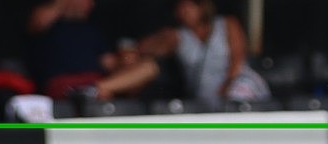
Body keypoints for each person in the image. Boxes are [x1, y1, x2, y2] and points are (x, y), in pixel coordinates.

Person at [95, 0, 269, 105]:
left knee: (239, 94)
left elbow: (238, 59)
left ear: (201, 7)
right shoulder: (178, 36)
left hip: (238, 83)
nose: (184, 11)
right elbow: (145, 47)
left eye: (189, 6)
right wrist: (127, 53)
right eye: (181, 7)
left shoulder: (226, 23)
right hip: (206, 96)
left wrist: (225, 89)